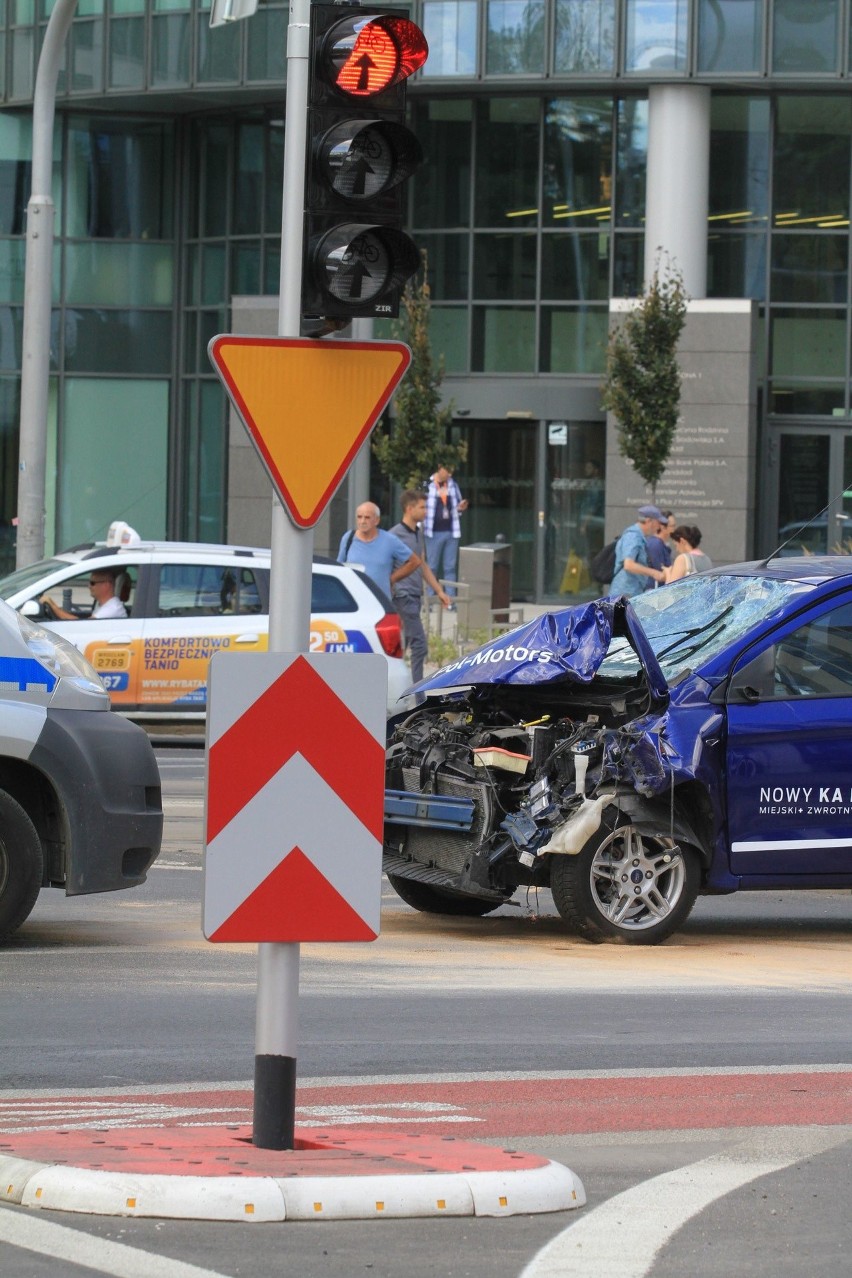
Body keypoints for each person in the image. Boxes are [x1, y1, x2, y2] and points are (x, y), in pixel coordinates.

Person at [389, 490, 452, 685]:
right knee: (419, 645)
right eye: (422, 507)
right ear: (409, 509)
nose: (426, 511)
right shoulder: (394, 535)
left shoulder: (418, 532)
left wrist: (439, 590)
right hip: (402, 595)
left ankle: (394, 688)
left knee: (401, 645)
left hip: (414, 596)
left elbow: (422, 564)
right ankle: (418, 694)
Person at [337, 501, 420, 602]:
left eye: (367, 517)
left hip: (380, 602)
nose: (362, 521)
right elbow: (339, 567)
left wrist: (392, 579)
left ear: (376, 520)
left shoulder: (389, 540)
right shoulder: (348, 538)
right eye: (359, 517)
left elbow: (414, 561)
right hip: (353, 601)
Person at [423, 465, 468, 596]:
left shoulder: (453, 485)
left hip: (451, 531)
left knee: (450, 567)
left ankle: (450, 600)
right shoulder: (427, 484)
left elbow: (457, 505)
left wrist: (461, 507)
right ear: (439, 468)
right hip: (432, 532)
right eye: (448, 471)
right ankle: (430, 599)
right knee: (431, 567)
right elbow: (420, 506)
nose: (450, 474)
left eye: (451, 472)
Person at [609, 505, 667, 597]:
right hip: (625, 593)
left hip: (629, 592)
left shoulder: (638, 536)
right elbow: (629, 565)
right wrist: (654, 573)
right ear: (649, 521)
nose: (659, 527)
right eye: (658, 522)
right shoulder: (633, 536)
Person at [40, 569, 128, 620]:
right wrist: (52, 604)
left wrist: (53, 607)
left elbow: (82, 625)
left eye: (93, 583)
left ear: (106, 585)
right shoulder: (106, 605)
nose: (89, 586)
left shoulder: (112, 609)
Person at [645, 509, 674, 583]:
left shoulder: (659, 543)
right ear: (662, 527)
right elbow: (660, 571)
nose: (674, 529)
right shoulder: (655, 544)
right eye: (672, 526)